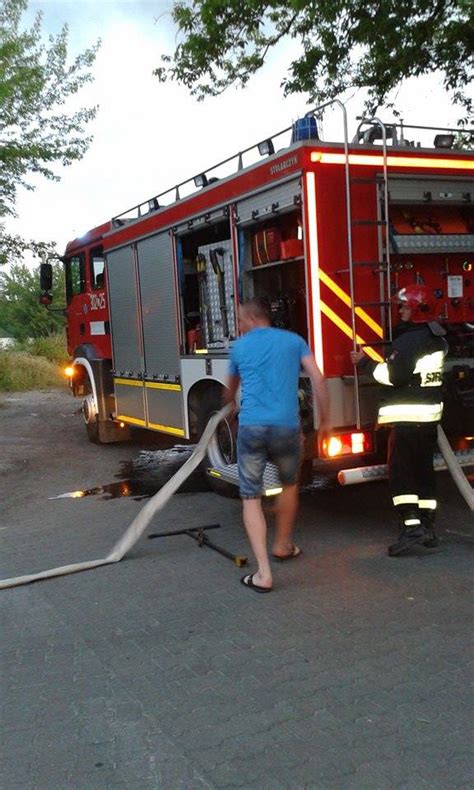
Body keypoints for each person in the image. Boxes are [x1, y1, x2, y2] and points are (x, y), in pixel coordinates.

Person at [224, 298, 329, 593]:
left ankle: (263, 574)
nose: (240, 326)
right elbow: (318, 380)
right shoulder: (294, 341)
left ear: (252, 319)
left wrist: (230, 408)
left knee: (250, 497)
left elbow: (229, 389)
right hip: (286, 429)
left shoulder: (241, 347)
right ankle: (283, 544)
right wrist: (326, 421)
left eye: (241, 320)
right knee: (289, 485)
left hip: (253, 428)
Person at [350, 284, 448, 556]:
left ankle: (411, 527)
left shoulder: (408, 342)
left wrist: (364, 364)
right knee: (424, 473)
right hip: (427, 418)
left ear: (415, 310)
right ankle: (427, 527)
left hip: (407, 419)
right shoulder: (435, 338)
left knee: (402, 474)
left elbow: (393, 376)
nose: (400, 311)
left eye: (404, 306)